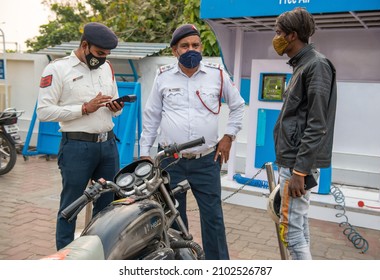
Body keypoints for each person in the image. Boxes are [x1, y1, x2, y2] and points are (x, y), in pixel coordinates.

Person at [139, 24, 245, 260]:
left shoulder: (217, 74)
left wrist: (228, 136)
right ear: (175, 50)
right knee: (174, 219)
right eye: (185, 46)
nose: (191, 49)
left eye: (196, 45)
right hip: (169, 161)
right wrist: (145, 152)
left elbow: (237, 106)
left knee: (214, 218)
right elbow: (152, 115)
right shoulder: (163, 76)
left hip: (206, 160)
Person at [37, 22, 124, 250]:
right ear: (84, 45)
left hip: (108, 146)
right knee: (72, 206)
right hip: (77, 147)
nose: (103, 58)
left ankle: (100, 254)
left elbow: (114, 102)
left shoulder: (108, 68)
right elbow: (43, 111)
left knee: (108, 208)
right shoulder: (57, 69)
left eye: (107, 54)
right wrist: (83, 109)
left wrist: (116, 107)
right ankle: (66, 260)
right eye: (99, 53)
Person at [272, 7, 337, 260]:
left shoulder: (316, 65)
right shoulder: (302, 65)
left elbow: (317, 123)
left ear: (292, 35)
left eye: (278, 32)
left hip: (298, 166)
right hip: (294, 163)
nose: (274, 37)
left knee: (291, 234)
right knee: (299, 229)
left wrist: (300, 170)